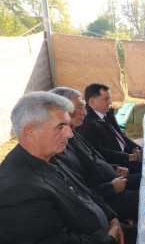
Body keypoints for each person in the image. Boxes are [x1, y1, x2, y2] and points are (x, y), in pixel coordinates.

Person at [0, 91, 123, 243]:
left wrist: (112, 218)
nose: (70, 134)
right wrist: (110, 238)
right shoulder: (19, 191)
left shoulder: (48, 157)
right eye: (60, 127)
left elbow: (86, 192)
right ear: (30, 132)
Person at [51, 87, 140, 227]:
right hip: (108, 199)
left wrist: (114, 168)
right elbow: (80, 192)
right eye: (79, 107)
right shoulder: (59, 149)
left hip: (115, 180)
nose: (85, 112)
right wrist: (111, 187)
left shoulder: (73, 133)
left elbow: (94, 159)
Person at [75, 83, 142, 173]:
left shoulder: (105, 112)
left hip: (126, 154)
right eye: (106, 99)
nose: (110, 102)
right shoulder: (86, 123)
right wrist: (128, 157)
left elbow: (120, 134)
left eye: (110, 99)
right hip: (117, 165)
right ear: (92, 101)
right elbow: (99, 152)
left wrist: (134, 147)